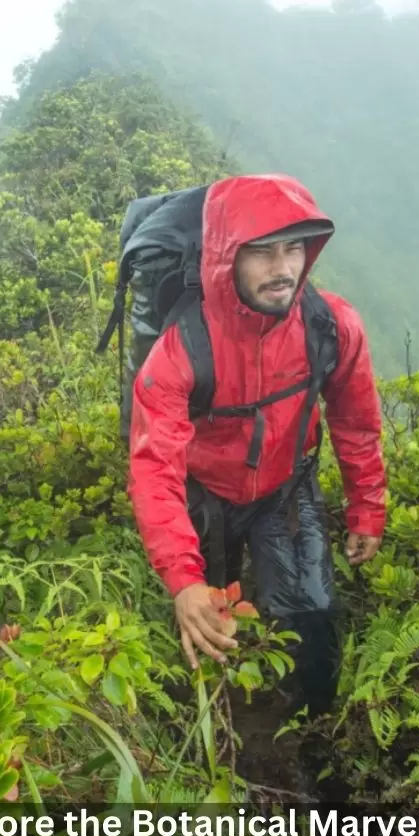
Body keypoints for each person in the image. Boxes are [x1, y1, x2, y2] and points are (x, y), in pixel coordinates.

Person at [127, 174, 386, 719]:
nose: (284, 268)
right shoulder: (181, 350)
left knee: (312, 615)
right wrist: (182, 579)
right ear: (226, 258)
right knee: (209, 614)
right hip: (206, 492)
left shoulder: (330, 325)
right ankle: (214, 727)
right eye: (263, 252)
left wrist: (367, 507)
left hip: (285, 486)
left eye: (294, 248)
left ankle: (316, 731)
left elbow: (356, 420)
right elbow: (155, 470)